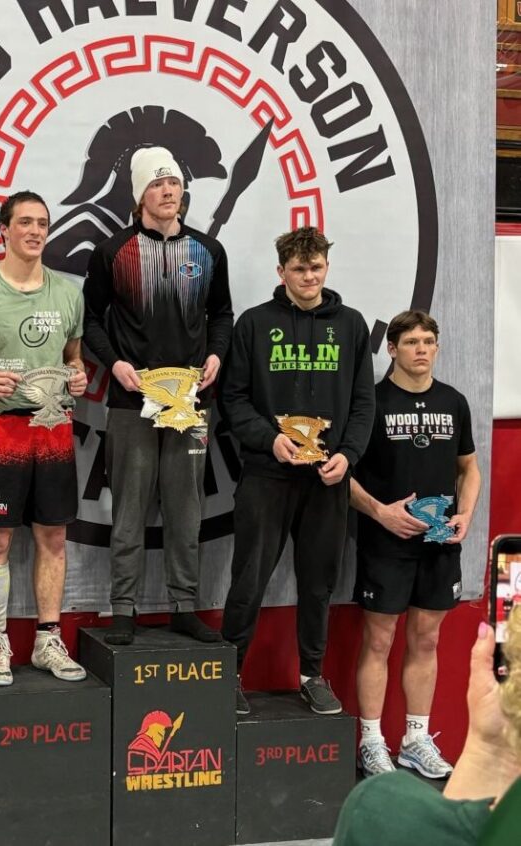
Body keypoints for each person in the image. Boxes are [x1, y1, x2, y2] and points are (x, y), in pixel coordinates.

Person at [219, 226, 374, 715]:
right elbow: (233, 400)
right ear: (280, 271)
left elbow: (364, 404)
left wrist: (348, 456)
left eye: (316, 266)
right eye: (299, 268)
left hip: (328, 478)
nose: (309, 276)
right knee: (248, 579)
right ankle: (229, 677)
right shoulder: (254, 324)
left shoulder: (351, 326)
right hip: (268, 473)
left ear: (326, 267)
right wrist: (270, 440)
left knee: (318, 583)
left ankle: (311, 674)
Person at [82, 146, 233, 646]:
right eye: (156, 184)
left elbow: (223, 315)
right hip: (132, 404)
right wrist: (117, 365)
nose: (168, 191)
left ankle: (183, 605)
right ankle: (122, 606)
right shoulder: (112, 253)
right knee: (129, 508)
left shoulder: (209, 252)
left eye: (174, 182)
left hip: (190, 404)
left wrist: (215, 354)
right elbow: (91, 323)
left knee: (185, 507)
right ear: (139, 194)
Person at [0, 190, 87, 686]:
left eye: (42, 223)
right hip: (0, 426)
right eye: (24, 222)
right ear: (2, 230)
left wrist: (79, 376)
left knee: (53, 535)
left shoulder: (68, 293)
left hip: (53, 427)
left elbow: (73, 356)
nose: (34, 231)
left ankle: (48, 638)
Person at [350, 310, 481, 777]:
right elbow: (341, 474)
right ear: (392, 348)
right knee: (379, 640)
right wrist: (381, 512)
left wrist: (465, 514)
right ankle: (370, 741)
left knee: (426, 640)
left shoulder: (454, 401)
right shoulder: (373, 402)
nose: (421, 349)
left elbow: (469, 467)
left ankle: (415, 739)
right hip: (387, 543)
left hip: (441, 542)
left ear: (437, 347)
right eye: (411, 342)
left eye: (428, 341)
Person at [334, 611, 521, 846]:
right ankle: (375, 740)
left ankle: (414, 737)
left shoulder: (376, 809)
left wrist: (486, 746)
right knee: (380, 638)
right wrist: (489, 745)